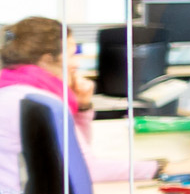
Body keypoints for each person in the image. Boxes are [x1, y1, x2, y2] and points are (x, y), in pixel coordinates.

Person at [0, 17, 153, 182]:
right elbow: (85, 169)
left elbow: (76, 155)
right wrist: (160, 168)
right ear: (46, 60)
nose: (76, 64)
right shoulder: (40, 103)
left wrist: (82, 107)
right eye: (72, 55)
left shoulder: (14, 90)